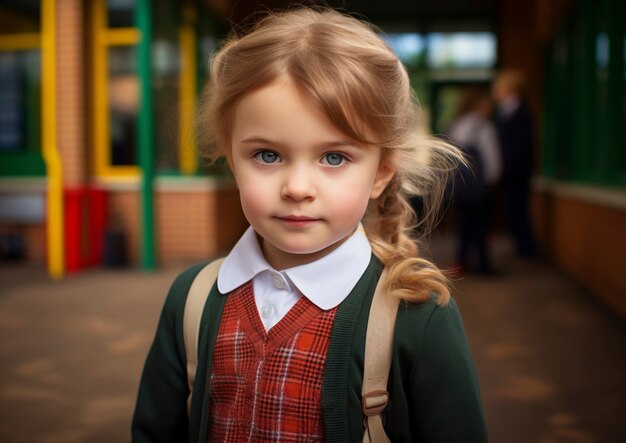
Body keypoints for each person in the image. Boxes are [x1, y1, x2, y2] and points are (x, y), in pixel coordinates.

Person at [132, 8, 487, 442]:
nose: (298, 187)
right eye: (267, 155)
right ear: (230, 156)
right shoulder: (191, 300)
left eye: (334, 157)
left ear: (380, 172)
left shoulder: (418, 314)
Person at [448, 86, 502, 275]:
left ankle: (461, 262)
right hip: (480, 187)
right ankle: (483, 264)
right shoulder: (484, 126)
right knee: (481, 225)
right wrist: (491, 180)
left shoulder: (457, 125)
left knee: (464, 225)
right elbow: (492, 158)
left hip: (461, 186)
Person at [492, 69, 538, 257]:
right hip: (510, 172)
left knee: (519, 210)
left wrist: (506, 169)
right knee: (514, 211)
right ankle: (523, 248)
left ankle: (527, 249)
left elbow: (520, 147)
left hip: (517, 173)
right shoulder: (505, 111)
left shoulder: (520, 112)